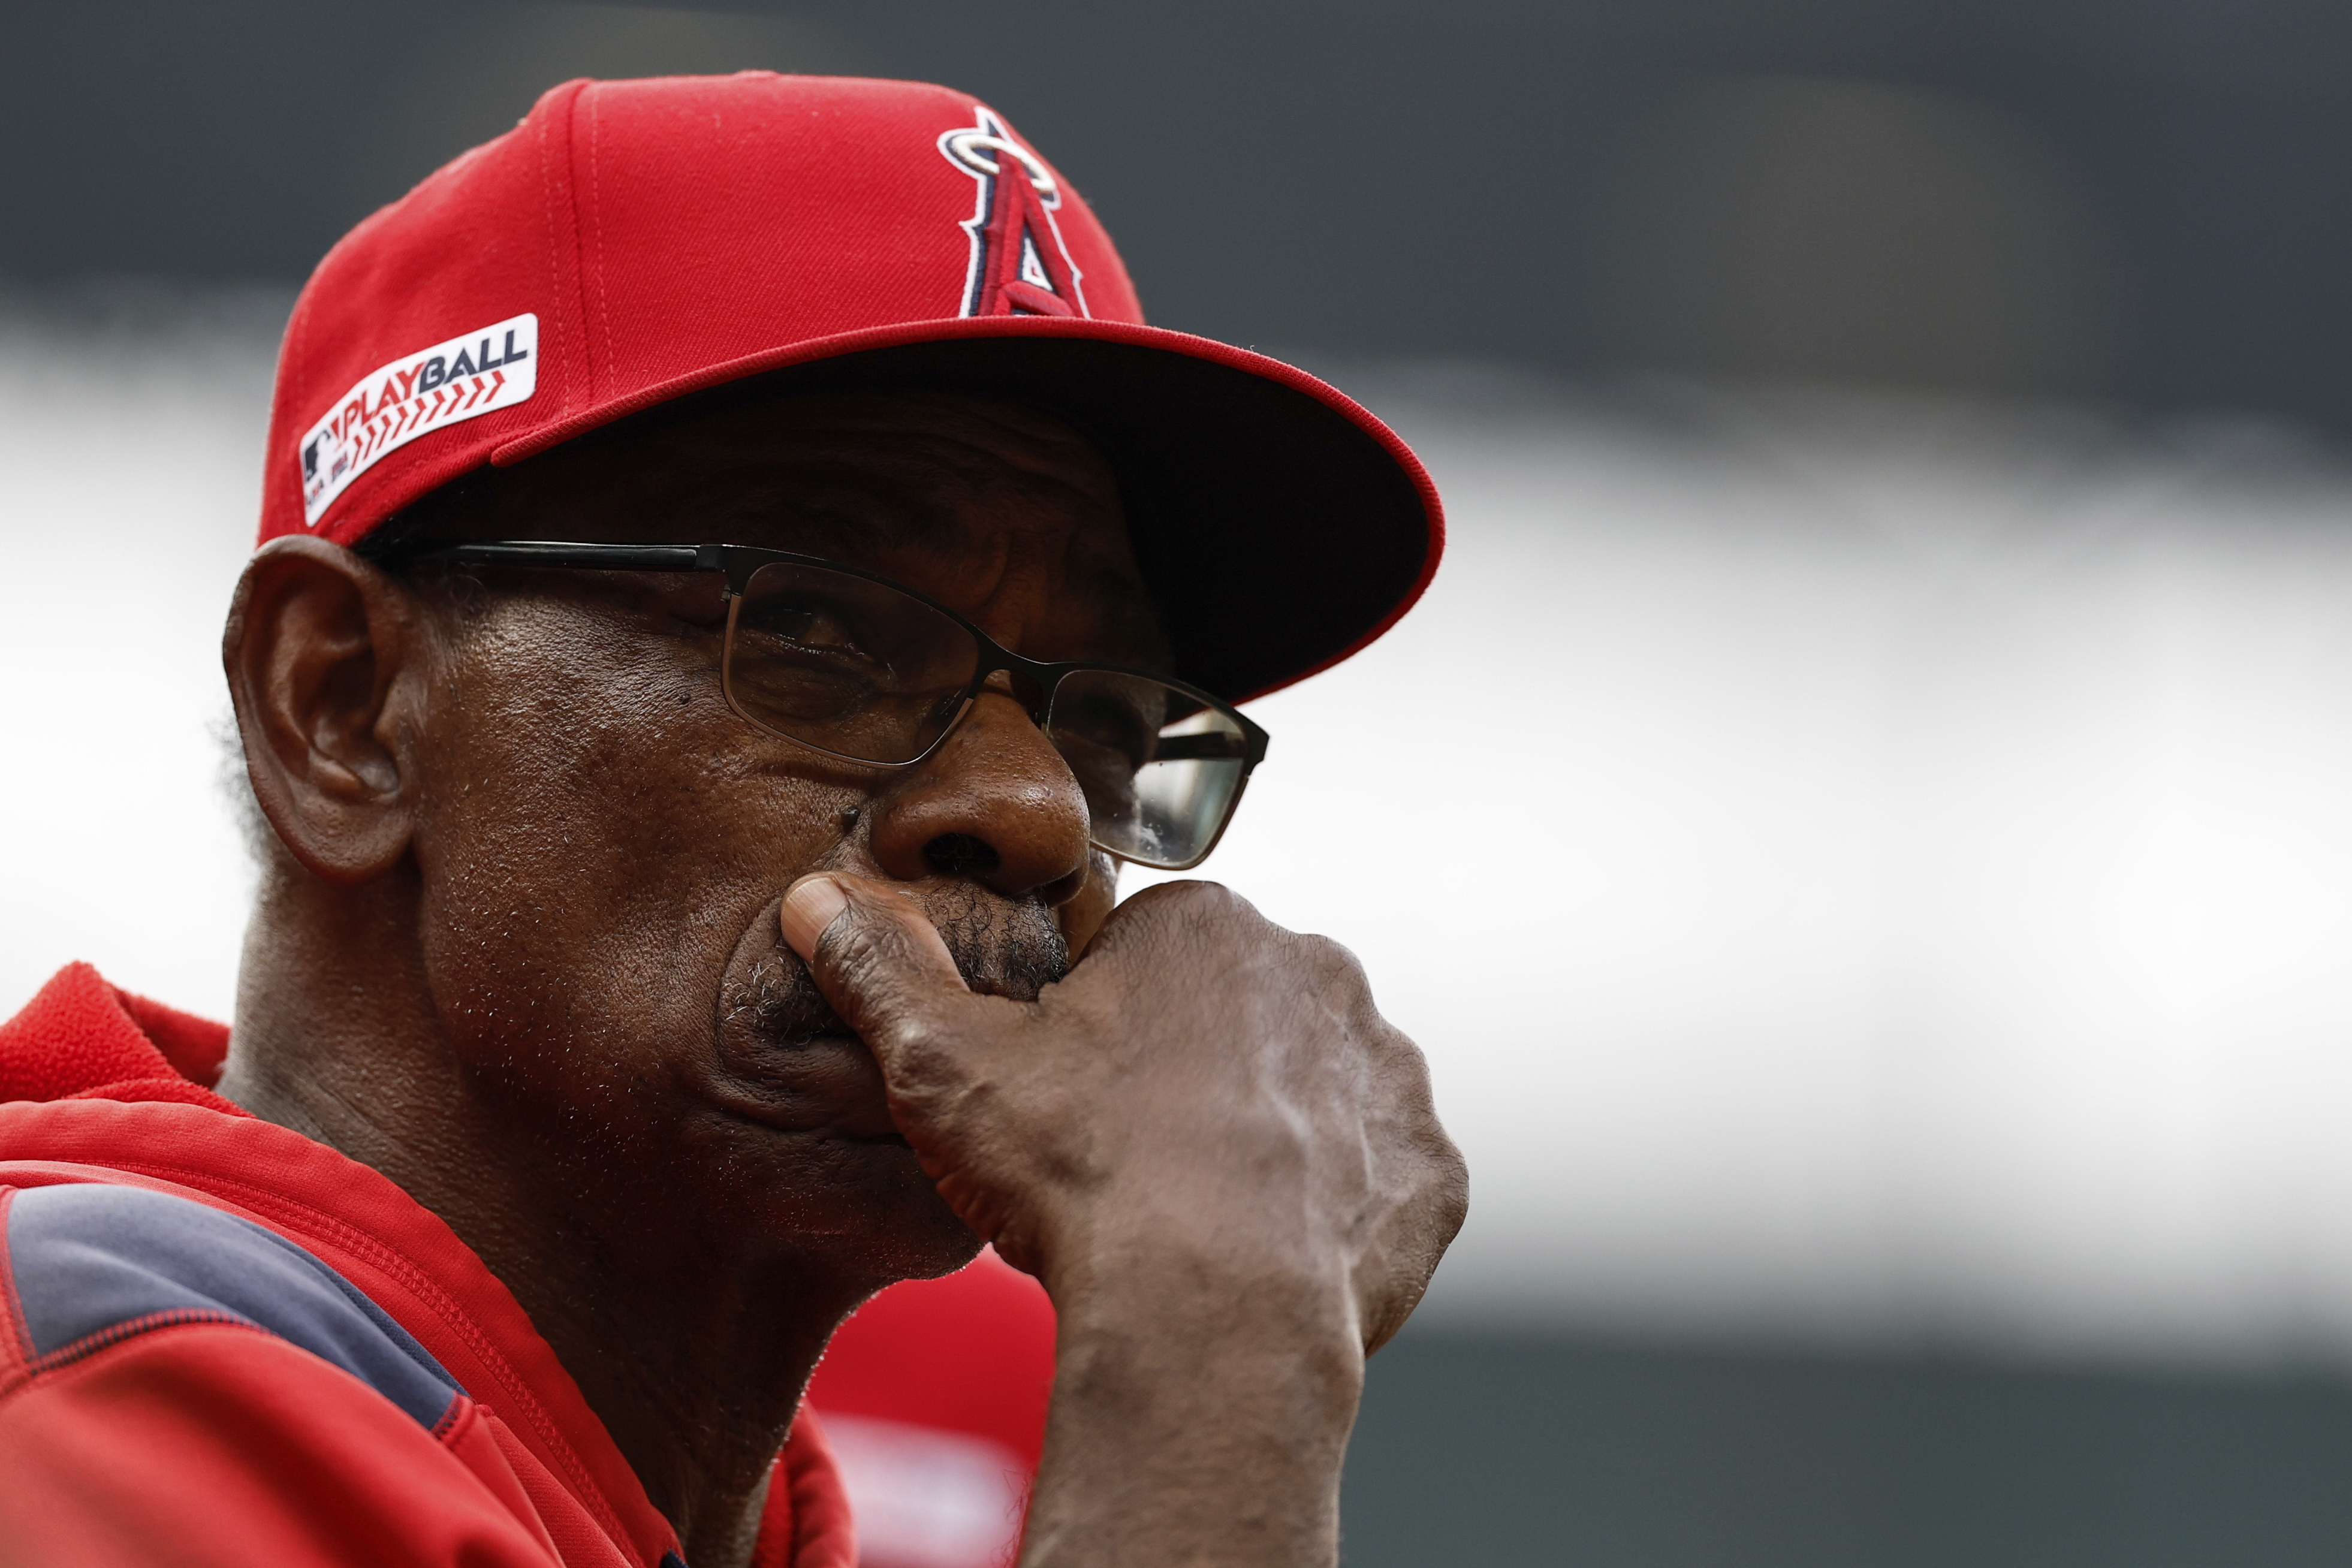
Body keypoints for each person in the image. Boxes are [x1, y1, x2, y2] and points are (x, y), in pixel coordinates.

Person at [0, 73, 1464, 1568]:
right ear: (346, 708)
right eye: (822, 631)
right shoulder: (93, 1382)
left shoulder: (708, 1518)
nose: (1035, 812)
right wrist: (1217, 1343)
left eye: (1106, 718)